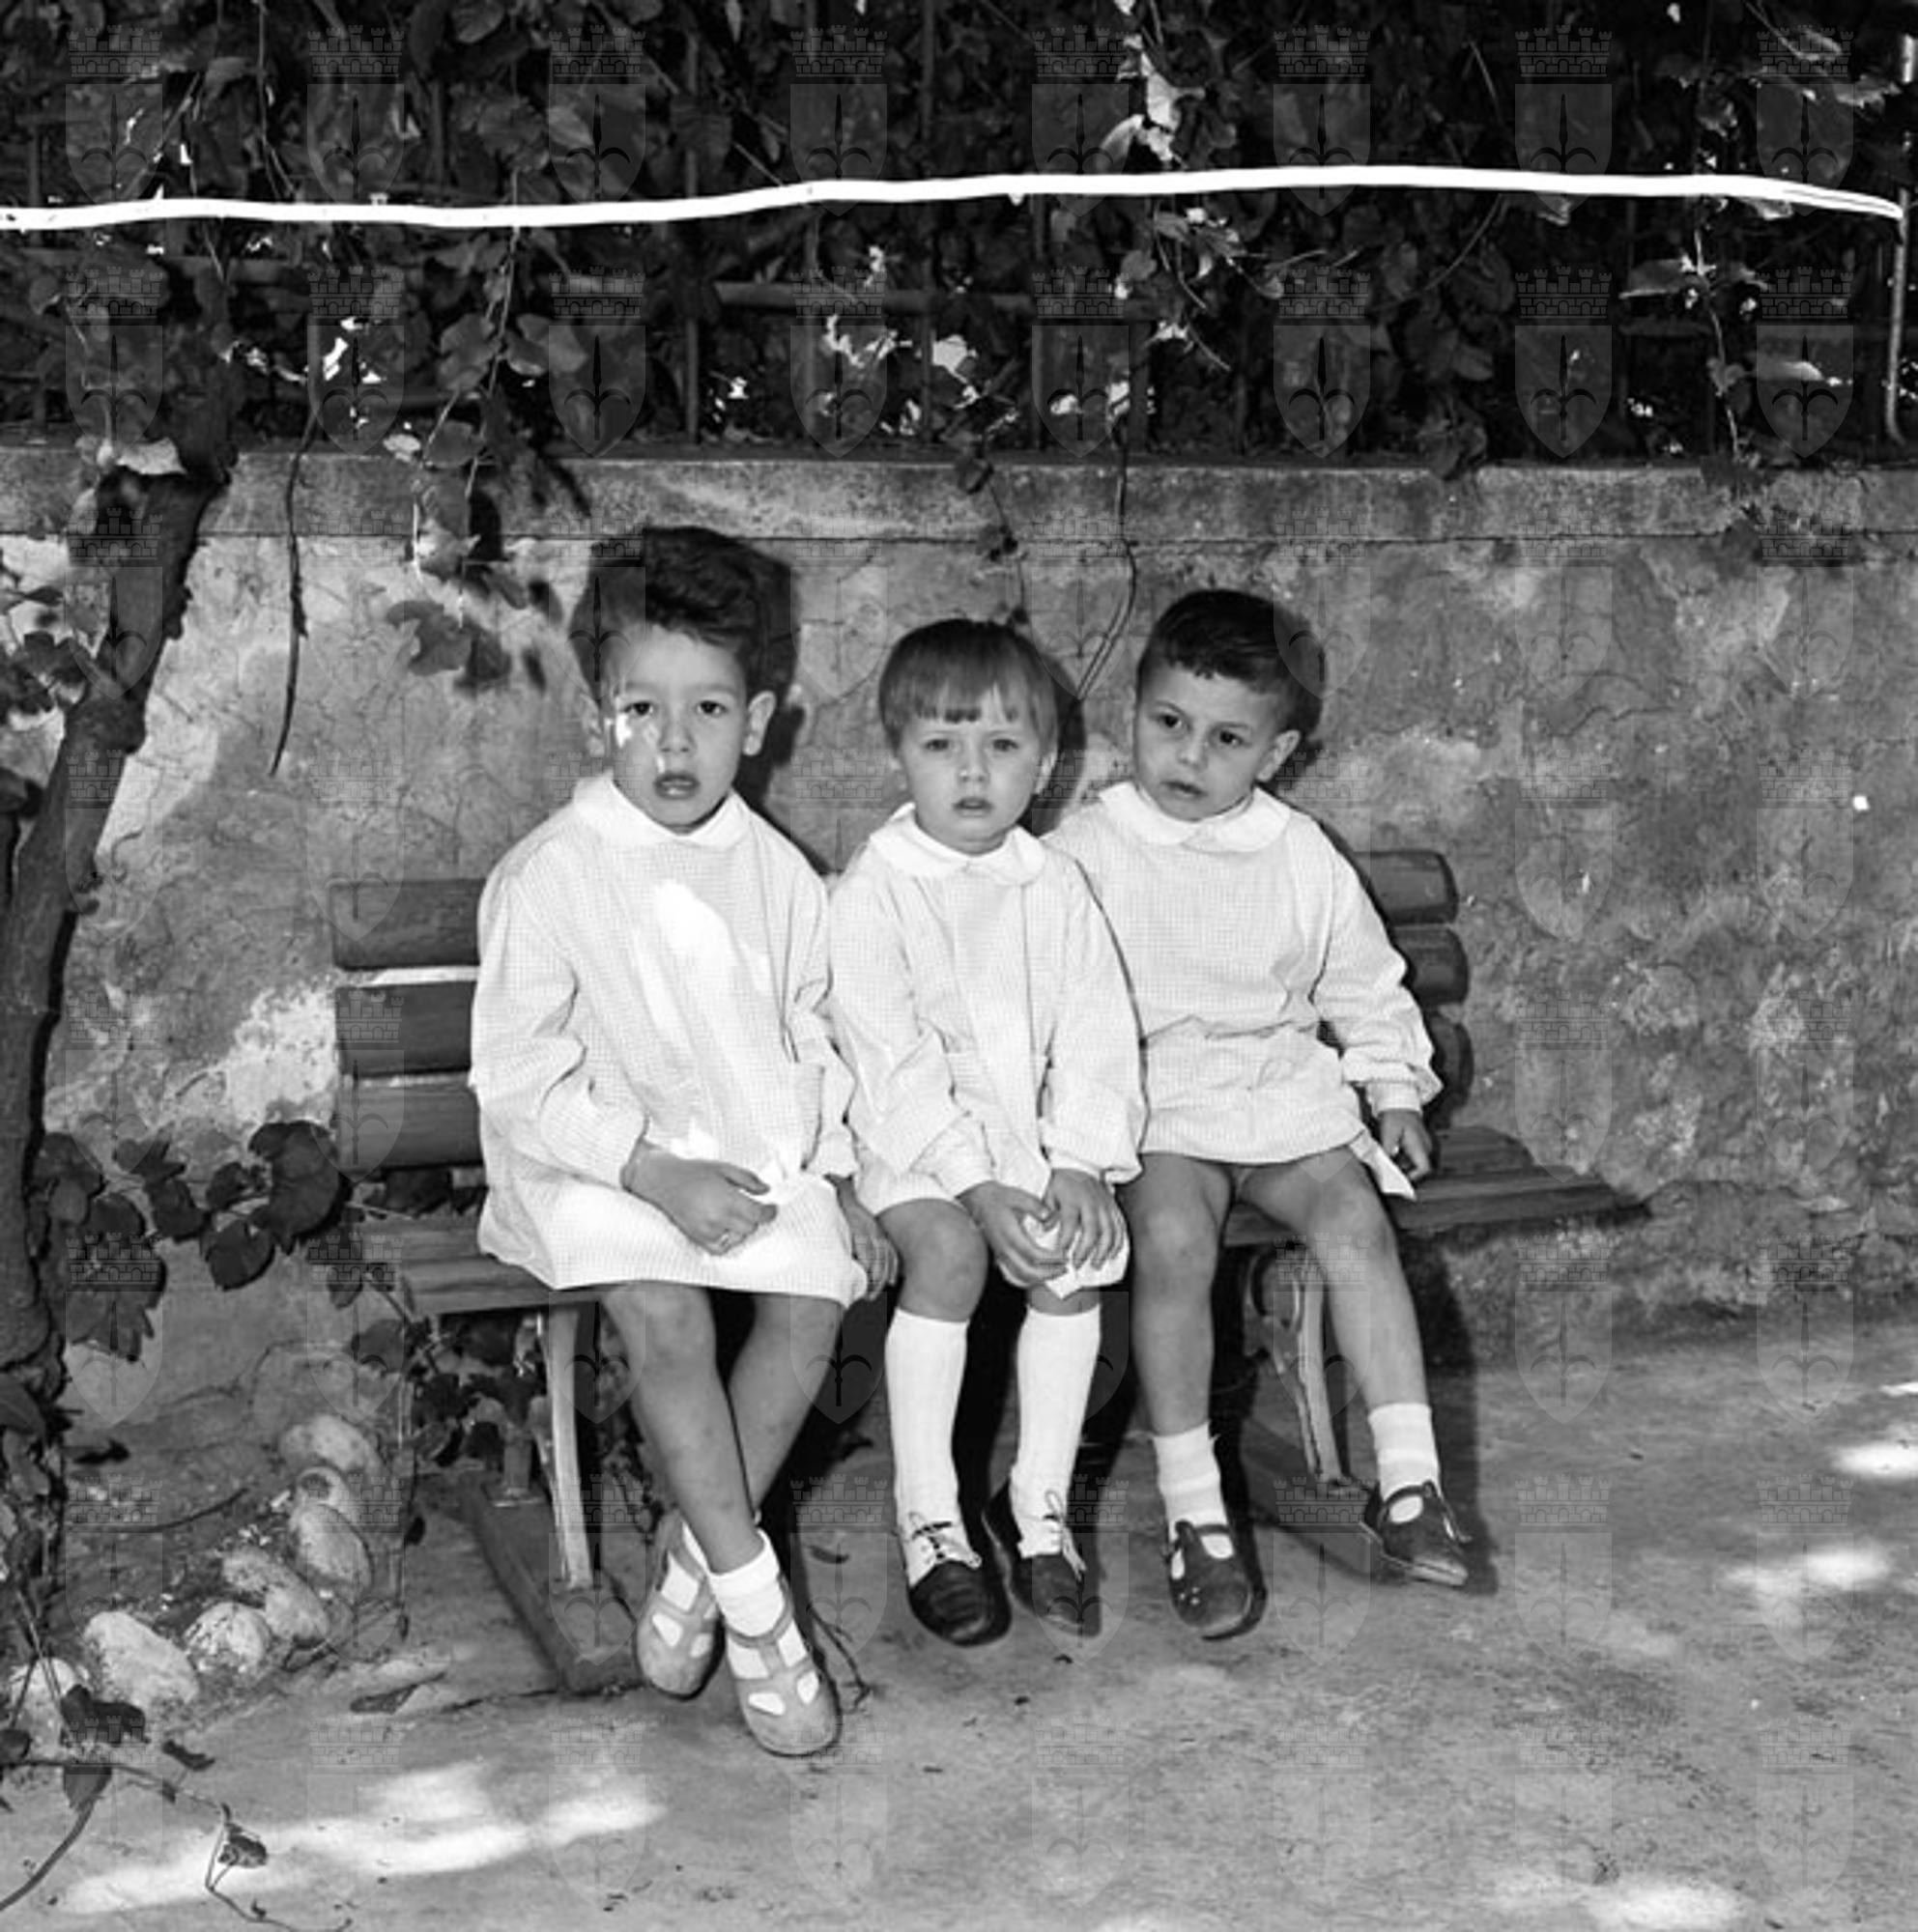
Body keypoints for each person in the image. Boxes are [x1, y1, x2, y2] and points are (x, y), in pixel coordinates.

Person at [470, 526, 895, 1755]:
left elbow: (810, 1034)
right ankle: (760, 1614)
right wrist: (651, 1167)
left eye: (706, 708)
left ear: (755, 721)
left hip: (744, 1145)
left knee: (812, 1296)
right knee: (664, 1314)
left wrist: (836, 1178)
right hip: (592, 1161)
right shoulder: (552, 873)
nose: (672, 742)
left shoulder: (777, 873)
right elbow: (518, 1074)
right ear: (596, 710)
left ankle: (692, 1552)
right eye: (641, 707)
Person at [1048, 587, 1468, 1641]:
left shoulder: (1296, 851)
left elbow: (1362, 982)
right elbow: (1042, 995)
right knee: (1174, 1239)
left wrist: (1391, 1089)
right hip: (1155, 1098)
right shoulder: (1088, 848)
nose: (1188, 756)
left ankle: (1410, 1482)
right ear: (1133, 711)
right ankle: (1195, 1508)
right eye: (1168, 722)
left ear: (1275, 753)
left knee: (1355, 1223)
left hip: (1277, 1090)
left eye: (1226, 738)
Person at [828, 621, 1143, 1644]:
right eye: (941, 745)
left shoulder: (1053, 885)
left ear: (1044, 765)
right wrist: (971, 1181)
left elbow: (1095, 1031)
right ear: (898, 755)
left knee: (1072, 1250)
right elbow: (890, 1065)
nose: (972, 773)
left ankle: (1036, 1506)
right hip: (906, 1146)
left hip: (1025, 1142)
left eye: (1001, 746)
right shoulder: (874, 890)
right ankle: (931, 1519)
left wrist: (1079, 1162)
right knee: (952, 1255)